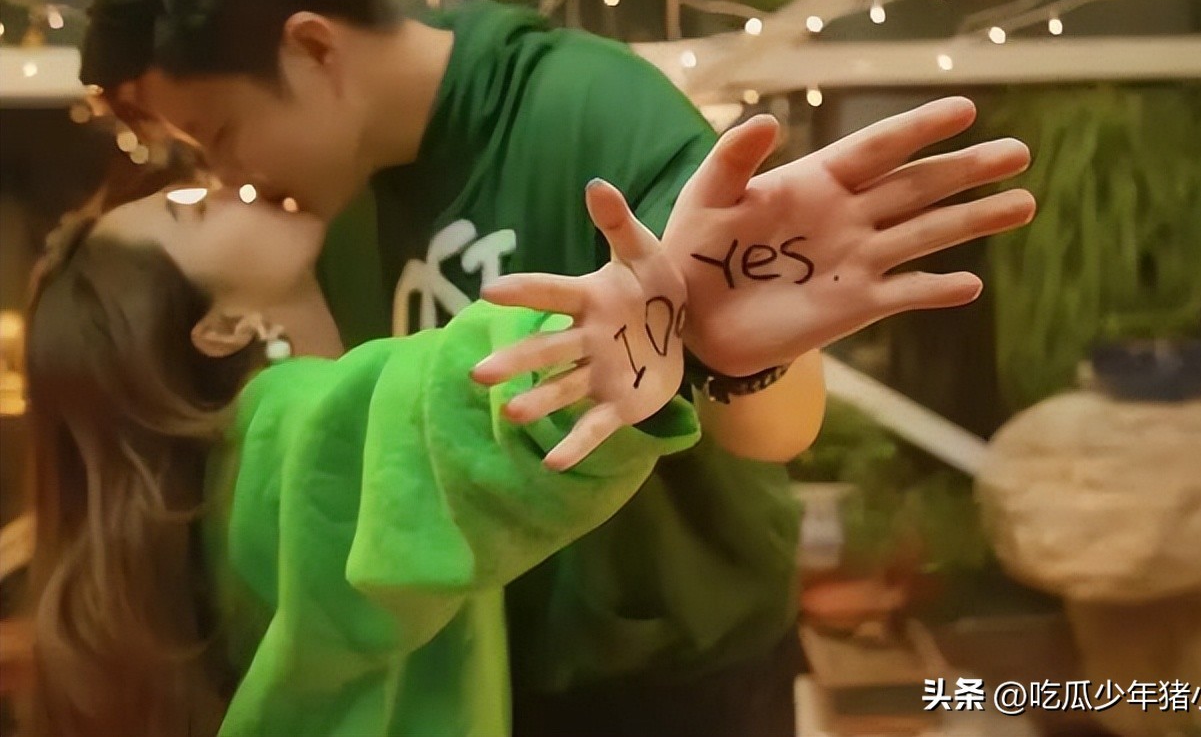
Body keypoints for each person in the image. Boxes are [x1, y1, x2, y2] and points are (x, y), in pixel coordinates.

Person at [79, 0, 1035, 732]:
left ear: (315, 47)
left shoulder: (583, 107)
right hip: (491, 679)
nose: (228, 177)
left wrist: (721, 348)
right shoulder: (325, 210)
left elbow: (784, 428)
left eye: (220, 136)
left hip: (679, 677)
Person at [22, 176, 706, 736]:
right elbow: (420, 423)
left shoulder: (203, 501)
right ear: (219, 330)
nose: (225, 187)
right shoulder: (267, 443)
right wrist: (577, 348)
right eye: (193, 208)